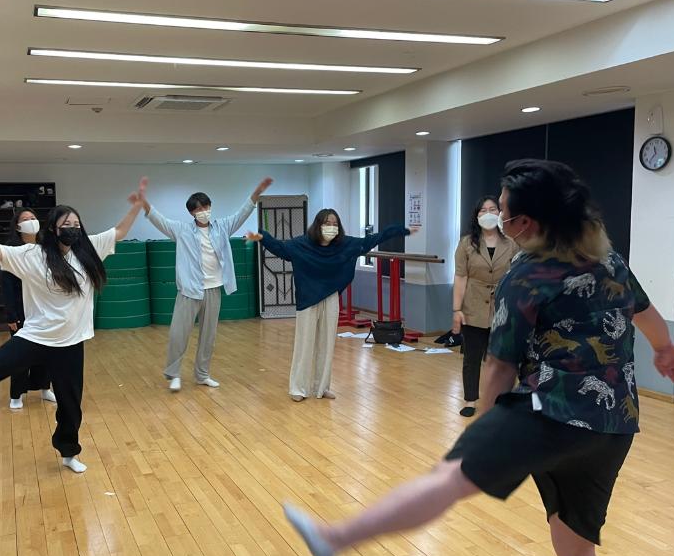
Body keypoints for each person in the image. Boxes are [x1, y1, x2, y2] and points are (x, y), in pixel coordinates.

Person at [283, 160, 674, 556]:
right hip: (615, 423)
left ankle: (335, 539)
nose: (500, 218)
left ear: (527, 223)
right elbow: (647, 315)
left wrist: (478, 429)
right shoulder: (609, 259)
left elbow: (498, 364)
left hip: (553, 410)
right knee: (577, 550)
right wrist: (666, 350)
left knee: (447, 479)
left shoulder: (527, 272)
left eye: (507, 212)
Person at [0, 181, 146, 473]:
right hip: (36, 337)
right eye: (66, 224)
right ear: (53, 229)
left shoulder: (88, 250)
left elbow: (119, 231)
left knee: (70, 405)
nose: (73, 229)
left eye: (76, 224)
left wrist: (137, 206)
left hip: (71, 344)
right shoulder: (33, 255)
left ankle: (69, 453)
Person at [247, 210, 414, 402]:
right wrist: (262, 236)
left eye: (335, 224)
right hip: (308, 298)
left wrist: (400, 230)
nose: (331, 227)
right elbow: (281, 248)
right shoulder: (302, 244)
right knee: (304, 344)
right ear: (318, 225)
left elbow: (371, 240)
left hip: (330, 297)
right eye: (327, 223)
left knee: (327, 344)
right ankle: (298, 388)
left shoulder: (344, 245)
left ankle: (322, 387)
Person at [140, 177, 272, 391]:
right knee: (178, 334)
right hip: (189, 291)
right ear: (192, 213)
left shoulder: (222, 227)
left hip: (213, 288)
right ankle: (174, 374)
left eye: (205, 207)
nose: (203, 211)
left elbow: (242, 213)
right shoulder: (182, 230)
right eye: (198, 209)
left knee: (208, 336)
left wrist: (256, 193)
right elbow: (159, 220)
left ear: (210, 207)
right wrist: (144, 203)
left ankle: (202, 375)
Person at [452, 195, 519, 417]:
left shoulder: (511, 243)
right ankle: (470, 400)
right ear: (476, 215)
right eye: (483, 210)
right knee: (472, 358)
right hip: (473, 306)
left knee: (501, 359)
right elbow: (460, 277)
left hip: (503, 307)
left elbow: (517, 276)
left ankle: (499, 400)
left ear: (499, 214)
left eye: (492, 209)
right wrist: (457, 309)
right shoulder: (466, 243)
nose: (488, 214)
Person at [1, 207, 55, 410]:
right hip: (21, 309)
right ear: (17, 226)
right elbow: (6, 285)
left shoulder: (46, 246)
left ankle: (45, 388)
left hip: (44, 308)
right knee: (20, 353)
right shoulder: (11, 250)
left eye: (33, 217)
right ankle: (17, 394)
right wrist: (11, 315)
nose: (31, 221)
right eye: (25, 219)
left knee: (46, 351)